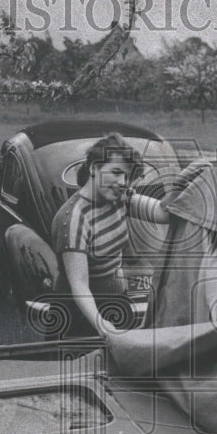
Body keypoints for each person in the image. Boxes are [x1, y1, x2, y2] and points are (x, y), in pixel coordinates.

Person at [50, 132, 172, 338]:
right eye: (116, 172)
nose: (123, 181)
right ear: (94, 168)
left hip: (117, 301)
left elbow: (163, 214)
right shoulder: (73, 219)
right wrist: (101, 325)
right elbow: (79, 285)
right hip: (79, 313)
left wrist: (189, 180)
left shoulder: (118, 197)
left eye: (126, 175)